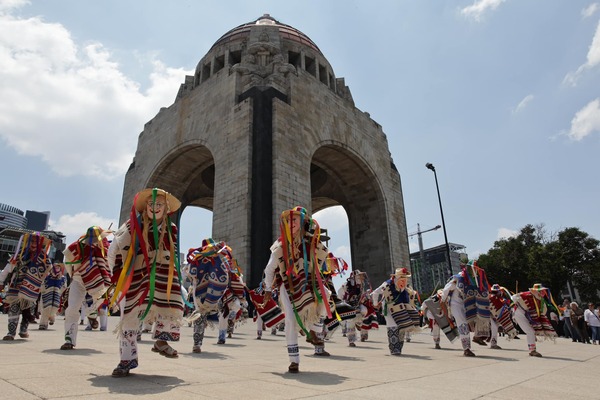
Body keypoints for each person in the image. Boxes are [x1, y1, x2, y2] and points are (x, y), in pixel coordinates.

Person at [108, 188, 185, 377]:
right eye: (151, 204)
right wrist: (114, 279)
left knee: (174, 304)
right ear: (146, 207)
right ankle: (126, 360)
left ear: (166, 208)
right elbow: (113, 250)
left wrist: (178, 279)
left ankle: (161, 340)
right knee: (129, 318)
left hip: (162, 275)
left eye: (159, 204)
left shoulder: (171, 229)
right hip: (135, 275)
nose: (155, 207)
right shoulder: (131, 225)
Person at [263, 206, 331, 373]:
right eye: (289, 220)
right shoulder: (280, 245)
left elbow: (323, 258)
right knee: (291, 321)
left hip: (308, 282)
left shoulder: (312, 242)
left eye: (295, 219)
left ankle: (314, 331)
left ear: (303, 222)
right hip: (287, 285)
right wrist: (267, 289)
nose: (291, 223)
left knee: (326, 296)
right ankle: (294, 360)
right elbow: (269, 269)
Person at [61, 226, 112, 349]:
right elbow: (68, 261)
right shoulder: (76, 247)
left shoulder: (106, 249)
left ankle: (92, 316)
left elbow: (111, 266)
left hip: (98, 283)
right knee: (72, 308)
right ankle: (69, 339)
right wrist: (73, 274)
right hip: (78, 280)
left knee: (97, 303)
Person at [0, 232, 54, 341]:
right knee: (14, 309)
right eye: (32, 241)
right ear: (27, 242)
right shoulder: (19, 254)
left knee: (28, 309)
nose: (33, 244)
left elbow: (48, 271)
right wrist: (1, 281)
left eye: (36, 242)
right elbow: (7, 268)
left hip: (32, 288)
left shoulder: (43, 257)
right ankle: (11, 333)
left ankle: (23, 330)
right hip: (16, 285)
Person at [440, 260, 491, 357]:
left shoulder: (474, 282)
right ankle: (466, 349)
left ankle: (477, 337)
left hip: (467, 305)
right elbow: (445, 292)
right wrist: (442, 304)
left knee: (479, 318)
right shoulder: (457, 279)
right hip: (456, 305)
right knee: (463, 325)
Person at [370, 267, 420, 355]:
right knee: (392, 325)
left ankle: (399, 347)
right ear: (396, 278)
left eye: (405, 279)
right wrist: (375, 304)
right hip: (389, 307)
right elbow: (375, 293)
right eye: (401, 278)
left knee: (403, 325)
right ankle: (394, 349)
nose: (404, 281)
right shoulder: (386, 284)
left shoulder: (404, 287)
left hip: (401, 307)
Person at [511, 283, 559, 357]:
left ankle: (532, 348)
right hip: (519, 314)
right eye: (540, 291)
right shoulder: (527, 295)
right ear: (535, 291)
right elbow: (513, 297)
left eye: (543, 291)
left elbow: (541, 312)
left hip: (526, 316)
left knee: (531, 331)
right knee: (530, 331)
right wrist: (517, 300)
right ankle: (532, 350)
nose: (542, 293)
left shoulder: (541, 301)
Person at [38, 260, 67, 330]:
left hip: (56, 295)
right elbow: (42, 284)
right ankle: (43, 324)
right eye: (55, 267)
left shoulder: (63, 278)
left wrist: (59, 291)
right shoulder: (47, 277)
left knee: (54, 308)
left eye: (58, 267)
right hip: (46, 295)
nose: (56, 269)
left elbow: (64, 286)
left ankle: (52, 317)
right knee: (45, 308)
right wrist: (44, 290)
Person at [488, 284, 518, 349]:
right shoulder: (491, 297)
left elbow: (503, 307)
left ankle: (493, 343)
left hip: (495, 317)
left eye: (496, 292)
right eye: (494, 292)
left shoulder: (500, 299)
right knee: (494, 328)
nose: (495, 293)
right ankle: (493, 344)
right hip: (489, 316)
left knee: (495, 328)